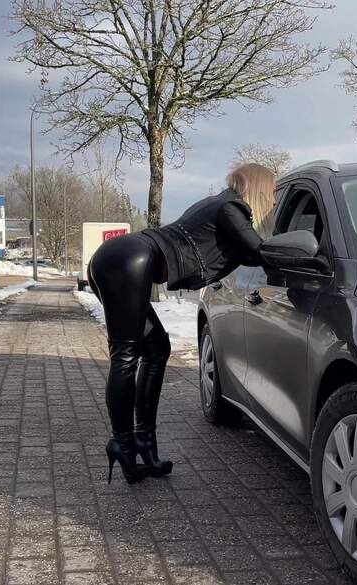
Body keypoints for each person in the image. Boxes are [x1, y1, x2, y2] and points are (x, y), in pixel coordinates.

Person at [88, 163, 276, 483]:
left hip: (121, 256)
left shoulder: (222, 205)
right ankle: (122, 443)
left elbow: (243, 252)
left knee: (157, 349)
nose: (273, 200)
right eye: (273, 191)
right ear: (259, 186)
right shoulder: (231, 208)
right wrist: (311, 257)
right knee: (125, 356)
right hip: (128, 259)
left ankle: (143, 443)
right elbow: (258, 250)